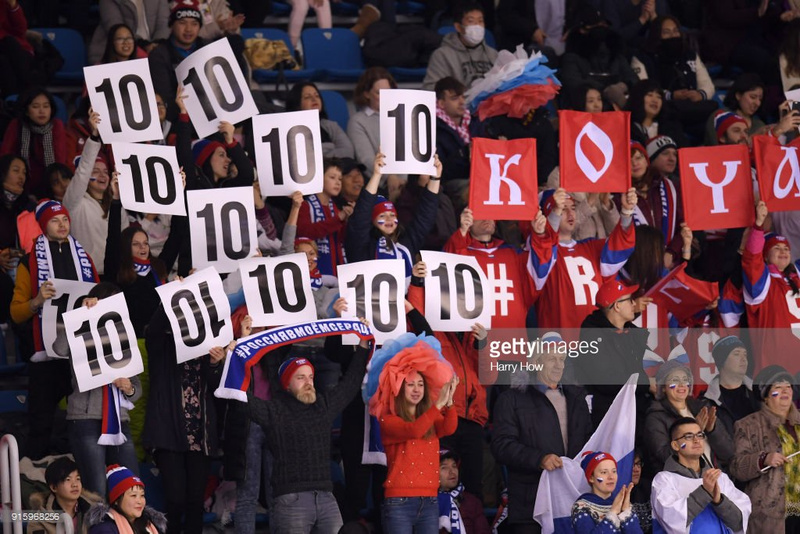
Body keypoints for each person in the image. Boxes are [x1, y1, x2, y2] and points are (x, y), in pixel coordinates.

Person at [247, 331, 372, 534]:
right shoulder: (274, 411)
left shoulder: (323, 406)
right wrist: (235, 356)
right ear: (286, 385)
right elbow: (237, 398)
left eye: (311, 377)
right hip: (291, 499)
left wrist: (363, 345)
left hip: (327, 497)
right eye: (301, 377)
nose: (308, 382)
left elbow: (351, 382)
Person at [10, 200, 99, 460]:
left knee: (82, 425)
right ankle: (32, 476)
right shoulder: (28, 262)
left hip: (79, 355)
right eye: (54, 220)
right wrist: (37, 300)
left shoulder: (84, 258)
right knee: (41, 425)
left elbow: (100, 296)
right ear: (42, 225)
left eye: (65, 219)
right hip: (45, 358)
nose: (62, 224)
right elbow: (16, 313)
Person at [491, 332, 593, 534]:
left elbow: (588, 441)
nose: (558, 365)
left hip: (572, 501)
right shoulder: (511, 399)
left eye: (562, 359)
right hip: (530, 504)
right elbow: (502, 445)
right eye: (551, 359)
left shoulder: (577, 398)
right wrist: (539, 458)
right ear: (536, 362)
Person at [143, 302, 228, 534]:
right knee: (175, 498)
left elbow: (218, 390)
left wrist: (215, 364)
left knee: (195, 500)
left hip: (201, 437)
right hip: (167, 434)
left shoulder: (208, 349)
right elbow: (154, 329)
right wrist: (172, 297)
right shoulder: (162, 345)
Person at [373, 344, 458, 533]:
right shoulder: (389, 419)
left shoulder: (430, 416)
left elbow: (449, 428)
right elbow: (414, 430)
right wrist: (438, 406)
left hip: (430, 500)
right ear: (398, 388)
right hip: (399, 502)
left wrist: (450, 402)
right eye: (410, 384)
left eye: (420, 384)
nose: (416, 389)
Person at [529, 187, 637, 330]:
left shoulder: (592, 246)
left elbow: (621, 245)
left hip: (595, 338)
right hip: (560, 339)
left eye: (573, 208)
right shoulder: (540, 252)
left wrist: (627, 212)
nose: (570, 213)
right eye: (563, 209)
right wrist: (554, 215)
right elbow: (542, 248)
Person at [345, 153, 441, 281]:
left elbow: (425, 216)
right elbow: (361, 214)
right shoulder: (360, 244)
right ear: (371, 220)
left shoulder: (406, 242)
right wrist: (377, 175)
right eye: (382, 215)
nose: (389, 219)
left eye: (392, 215)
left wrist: (435, 178)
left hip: (406, 294)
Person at [730, 365, 800, 533]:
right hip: (771, 513)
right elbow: (736, 467)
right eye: (777, 387)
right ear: (766, 396)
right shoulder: (748, 425)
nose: (785, 391)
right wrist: (763, 459)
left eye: (788, 386)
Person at [651, 417, 750, 533]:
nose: (696, 440)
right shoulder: (664, 480)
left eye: (700, 435)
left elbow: (739, 523)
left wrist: (719, 501)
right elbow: (671, 520)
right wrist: (704, 492)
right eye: (688, 436)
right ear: (675, 445)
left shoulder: (720, 477)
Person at [62, 109, 128, 277]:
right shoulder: (75, 203)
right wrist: (94, 136)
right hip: (86, 276)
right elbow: (83, 170)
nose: (102, 175)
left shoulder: (116, 205)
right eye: (96, 171)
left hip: (114, 276)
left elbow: (125, 241)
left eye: (105, 172)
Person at [578, 278, 650, 430]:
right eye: (629, 300)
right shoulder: (591, 337)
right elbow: (607, 381)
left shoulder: (634, 333)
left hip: (638, 411)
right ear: (617, 306)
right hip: (610, 419)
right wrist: (647, 384)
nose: (634, 304)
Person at [631, 15, 717, 139]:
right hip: (665, 109)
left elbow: (707, 84)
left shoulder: (689, 55)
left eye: (676, 31)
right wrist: (671, 95)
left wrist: (700, 94)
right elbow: (643, 90)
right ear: (657, 35)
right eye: (666, 32)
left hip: (693, 107)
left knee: (715, 110)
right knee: (670, 115)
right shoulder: (643, 58)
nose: (673, 36)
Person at [643, 360, 734, 476]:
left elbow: (728, 453)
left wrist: (712, 431)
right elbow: (665, 457)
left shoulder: (702, 408)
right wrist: (694, 430)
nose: (681, 385)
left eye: (685, 380)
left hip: (715, 478)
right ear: (663, 387)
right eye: (675, 380)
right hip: (682, 482)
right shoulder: (656, 417)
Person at [1, 88, 68, 200]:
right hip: (21, 186)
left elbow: (60, 161)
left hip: (51, 186)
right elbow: (5, 159)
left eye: (46, 106)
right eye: (36, 107)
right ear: (27, 111)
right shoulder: (16, 125)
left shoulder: (57, 126)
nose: (42, 111)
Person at [421, 3, 498, 91]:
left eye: (480, 21)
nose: (477, 26)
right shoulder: (442, 55)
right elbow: (431, 88)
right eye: (471, 21)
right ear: (458, 27)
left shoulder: (493, 55)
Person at [296, 159, 350, 279]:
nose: (338, 182)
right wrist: (338, 219)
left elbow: (342, 240)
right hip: (314, 273)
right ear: (319, 178)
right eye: (332, 177)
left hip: (337, 272)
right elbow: (304, 233)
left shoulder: (336, 208)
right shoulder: (305, 205)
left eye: (340, 179)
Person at [703, 336, 760, 442]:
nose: (743, 359)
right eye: (736, 354)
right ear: (722, 360)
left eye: (745, 354)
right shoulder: (707, 402)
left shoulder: (760, 393)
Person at [571, 451, 642, 534]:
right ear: (591, 478)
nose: (611, 477)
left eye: (614, 471)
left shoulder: (623, 504)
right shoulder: (581, 507)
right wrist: (613, 513)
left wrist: (626, 513)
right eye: (604, 472)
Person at [27, 457, 103, 534]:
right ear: (54, 487)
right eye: (68, 480)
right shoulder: (38, 519)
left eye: (78, 479)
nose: (75, 484)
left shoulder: (95, 511)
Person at [347, 67, 397, 180]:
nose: (385, 97)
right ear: (367, 94)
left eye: (388, 92)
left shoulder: (402, 115)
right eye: (379, 93)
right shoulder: (358, 121)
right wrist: (389, 177)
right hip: (379, 182)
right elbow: (366, 160)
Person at [86, 465, 167, 534]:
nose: (139, 501)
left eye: (142, 495)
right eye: (133, 495)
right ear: (116, 500)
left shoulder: (148, 525)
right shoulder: (104, 529)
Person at [286, 82, 355, 159]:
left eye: (317, 96)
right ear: (297, 104)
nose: (314, 99)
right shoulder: (290, 131)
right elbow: (302, 158)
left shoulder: (331, 126)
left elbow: (348, 151)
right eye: (307, 97)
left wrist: (324, 157)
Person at [87, 0, 169, 63]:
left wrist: (156, 45)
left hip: (154, 49)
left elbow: (164, 23)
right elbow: (116, 28)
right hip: (116, 52)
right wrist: (145, 45)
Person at [434, 76, 472, 203]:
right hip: (448, 184)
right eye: (455, 98)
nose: (462, 102)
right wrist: (466, 153)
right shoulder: (434, 128)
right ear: (441, 103)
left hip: (478, 176)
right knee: (475, 189)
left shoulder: (474, 121)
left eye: (463, 97)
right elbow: (442, 171)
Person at [704, 73, 766, 146]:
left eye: (760, 99)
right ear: (738, 95)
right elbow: (713, 147)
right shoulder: (721, 116)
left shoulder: (760, 125)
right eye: (753, 97)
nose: (758, 103)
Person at [437, 450, 490, 534]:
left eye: (454, 466)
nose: (452, 471)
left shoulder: (472, 501)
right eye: (444, 467)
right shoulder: (425, 503)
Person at [626, 81, 687, 147]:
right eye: (650, 95)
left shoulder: (671, 127)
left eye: (659, 97)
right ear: (638, 98)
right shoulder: (627, 127)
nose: (655, 100)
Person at [629, 450, 652, 534]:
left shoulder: (649, 487)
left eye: (638, 464)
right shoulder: (614, 493)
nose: (637, 469)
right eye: (632, 465)